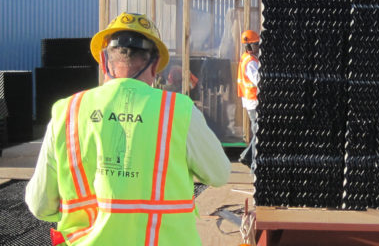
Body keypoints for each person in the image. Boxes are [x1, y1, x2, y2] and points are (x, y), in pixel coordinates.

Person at [25, 12, 230, 245]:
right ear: (155, 67)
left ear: (103, 61)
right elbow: (219, 174)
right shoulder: (178, 111)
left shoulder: (67, 112)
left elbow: (39, 206)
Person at [237, 29, 259, 172]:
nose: (258, 46)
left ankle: (247, 157)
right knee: (258, 133)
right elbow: (258, 80)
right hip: (253, 101)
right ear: (250, 46)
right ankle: (251, 163)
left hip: (250, 101)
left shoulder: (245, 58)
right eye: (256, 44)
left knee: (257, 132)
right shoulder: (250, 62)